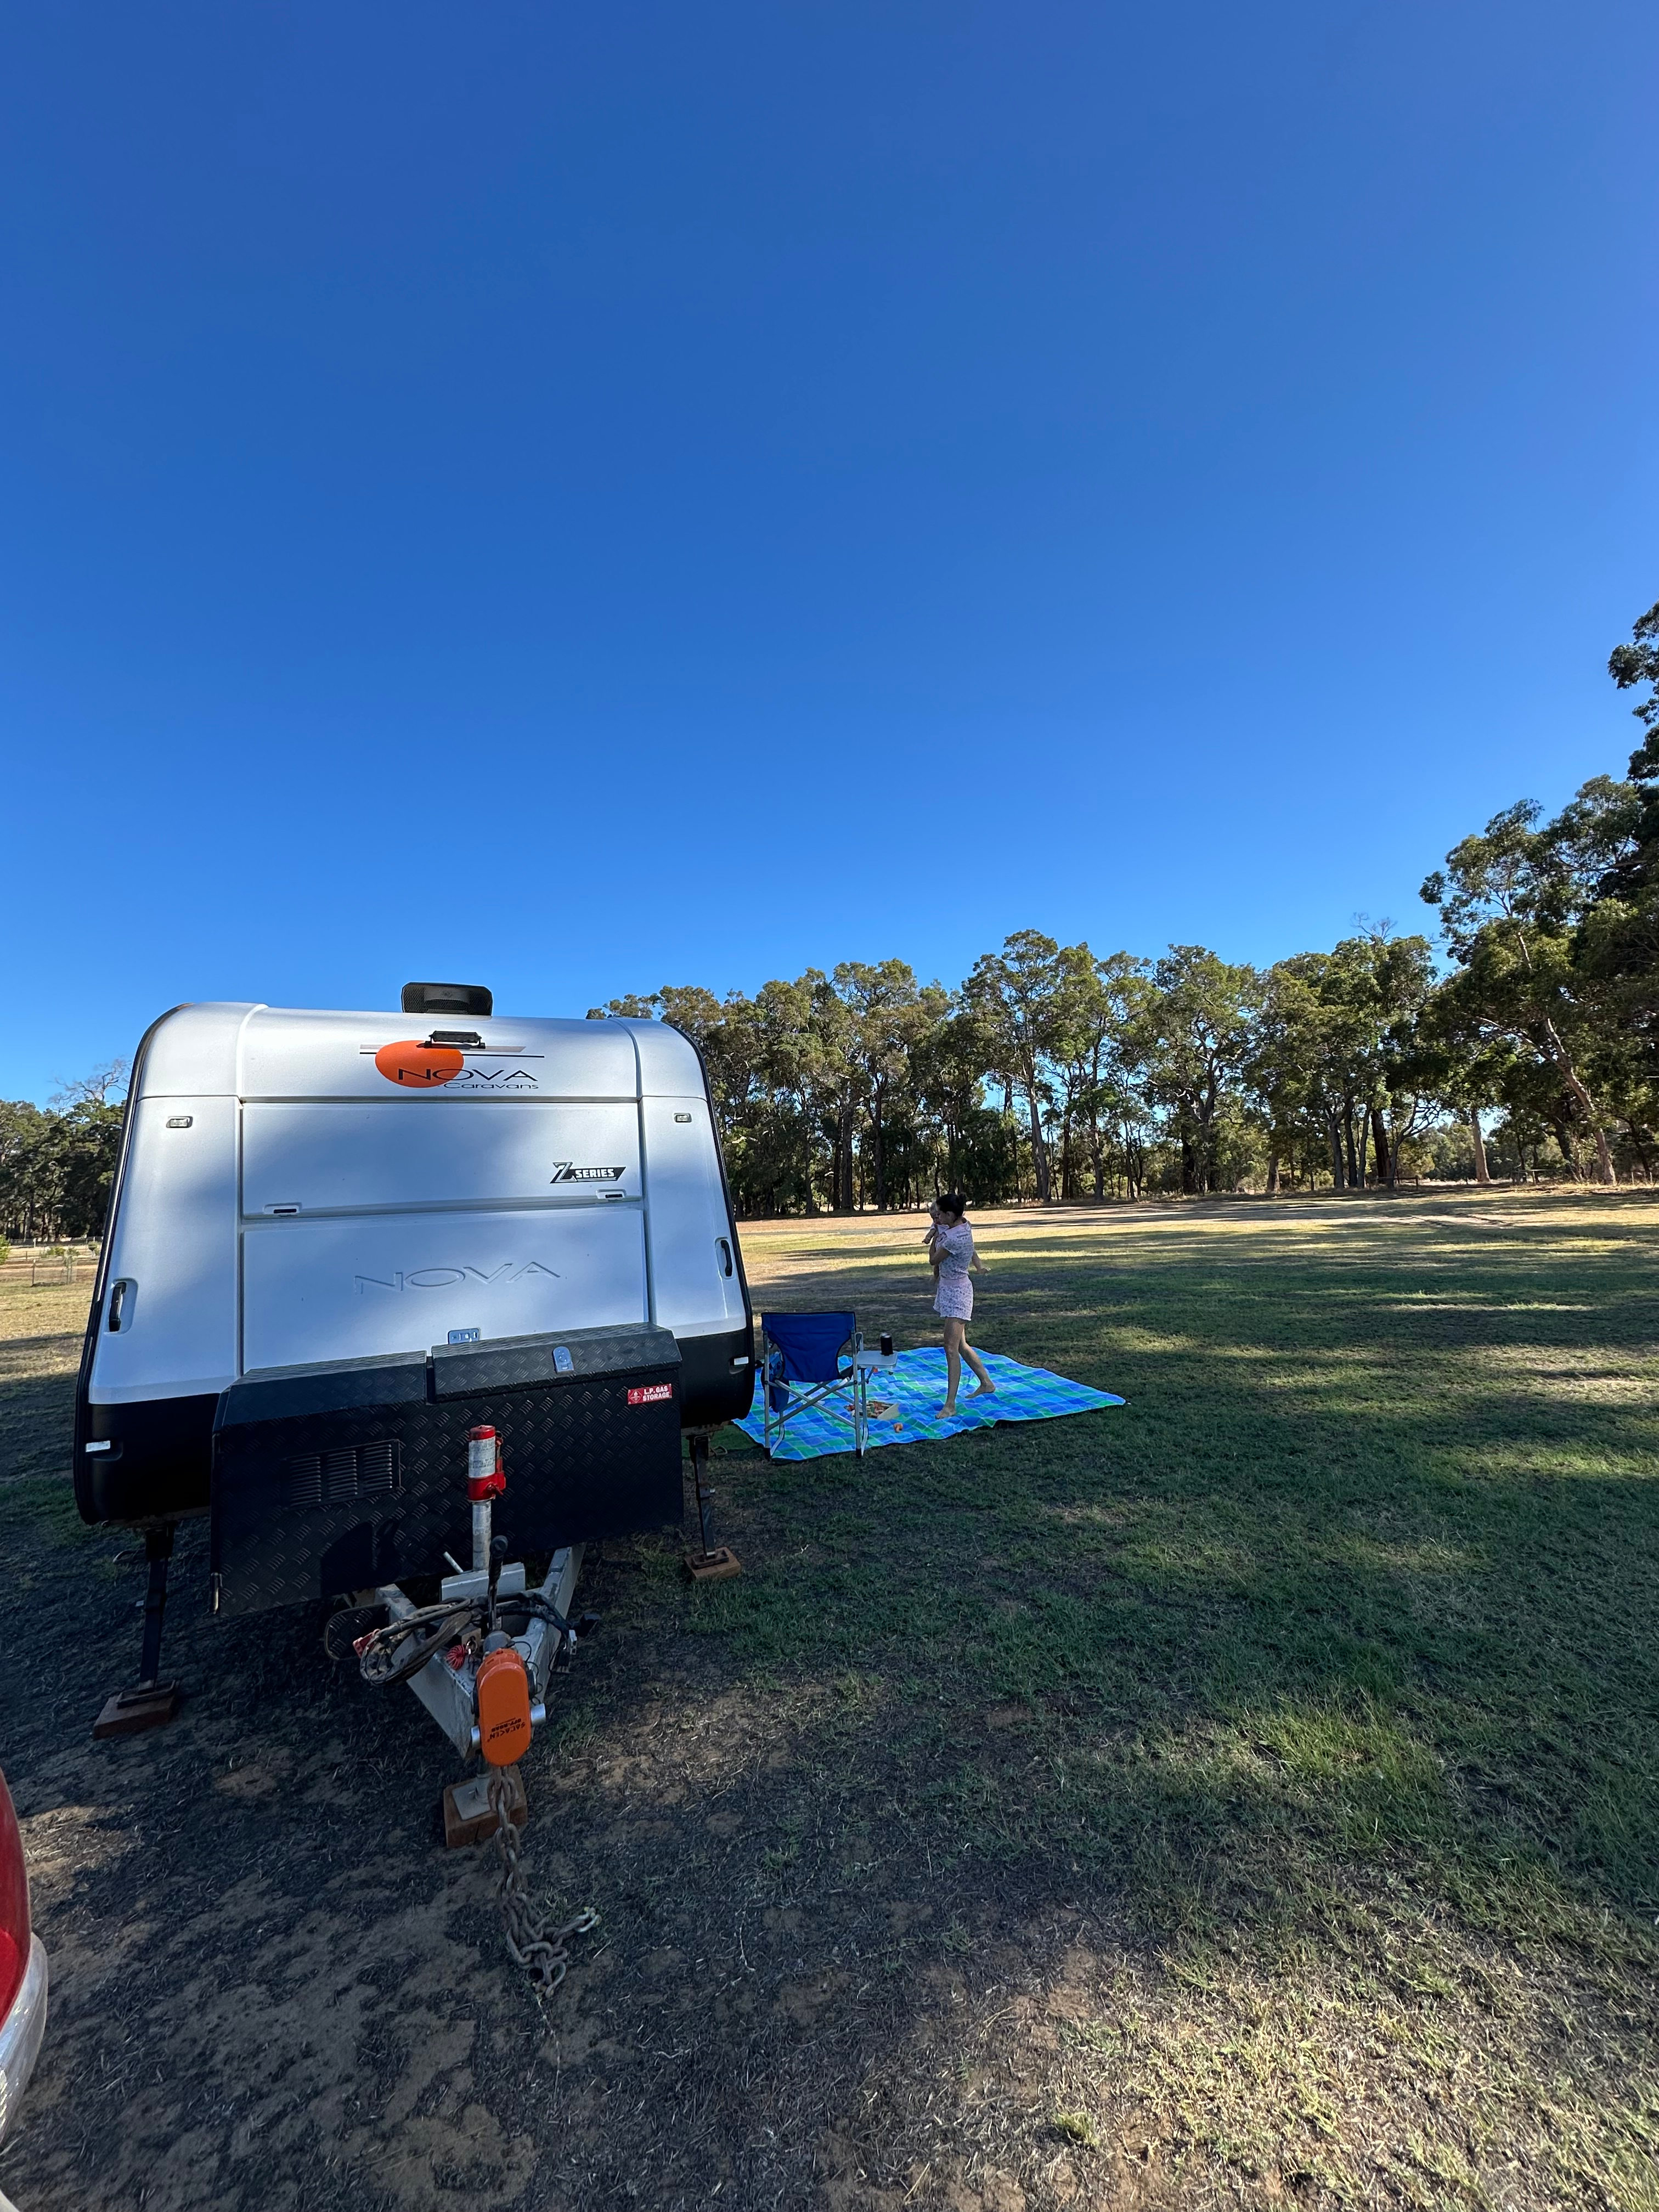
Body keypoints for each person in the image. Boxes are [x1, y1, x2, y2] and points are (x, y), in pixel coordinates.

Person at [926, 1192, 995, 1415]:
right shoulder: (962, 1225)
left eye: (939, 1213)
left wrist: (935, 1235)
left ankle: (950, 1405)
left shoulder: (954, 1237)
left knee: (951, 1349)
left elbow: (933, 1260)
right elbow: (972, 1249)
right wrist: (979, 1265)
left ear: (950, 1215)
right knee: (961, 1345)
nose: (936, 1215)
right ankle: (986, 1383)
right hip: (951, 1289)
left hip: (958, 1293)